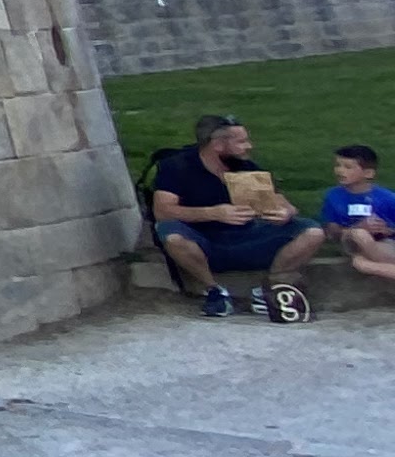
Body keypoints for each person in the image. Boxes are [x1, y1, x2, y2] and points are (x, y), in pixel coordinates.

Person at [149, 114, 326, 320]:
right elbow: (163, 211)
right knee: (171, 234)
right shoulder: (176, 167)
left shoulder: (246, 168)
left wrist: (285, 213)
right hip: (203, 239)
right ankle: (214, 291)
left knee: (312, 232)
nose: (249, 146)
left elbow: (284, 204)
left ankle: (271, 288)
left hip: (248, 237)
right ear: (217, 145)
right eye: (241, 142)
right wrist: (213, 213)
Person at [323, 143, 395, 289]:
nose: (340, 170)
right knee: (360, 234)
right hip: (350, 241)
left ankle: (371, 265)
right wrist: (359, 227)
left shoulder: (387, 198)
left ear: (368, 173)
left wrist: (386, 230)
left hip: (383, 243)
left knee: (361, 262)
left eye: (348, 167)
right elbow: (332, 232)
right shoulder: (333, 196)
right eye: (338, 165)